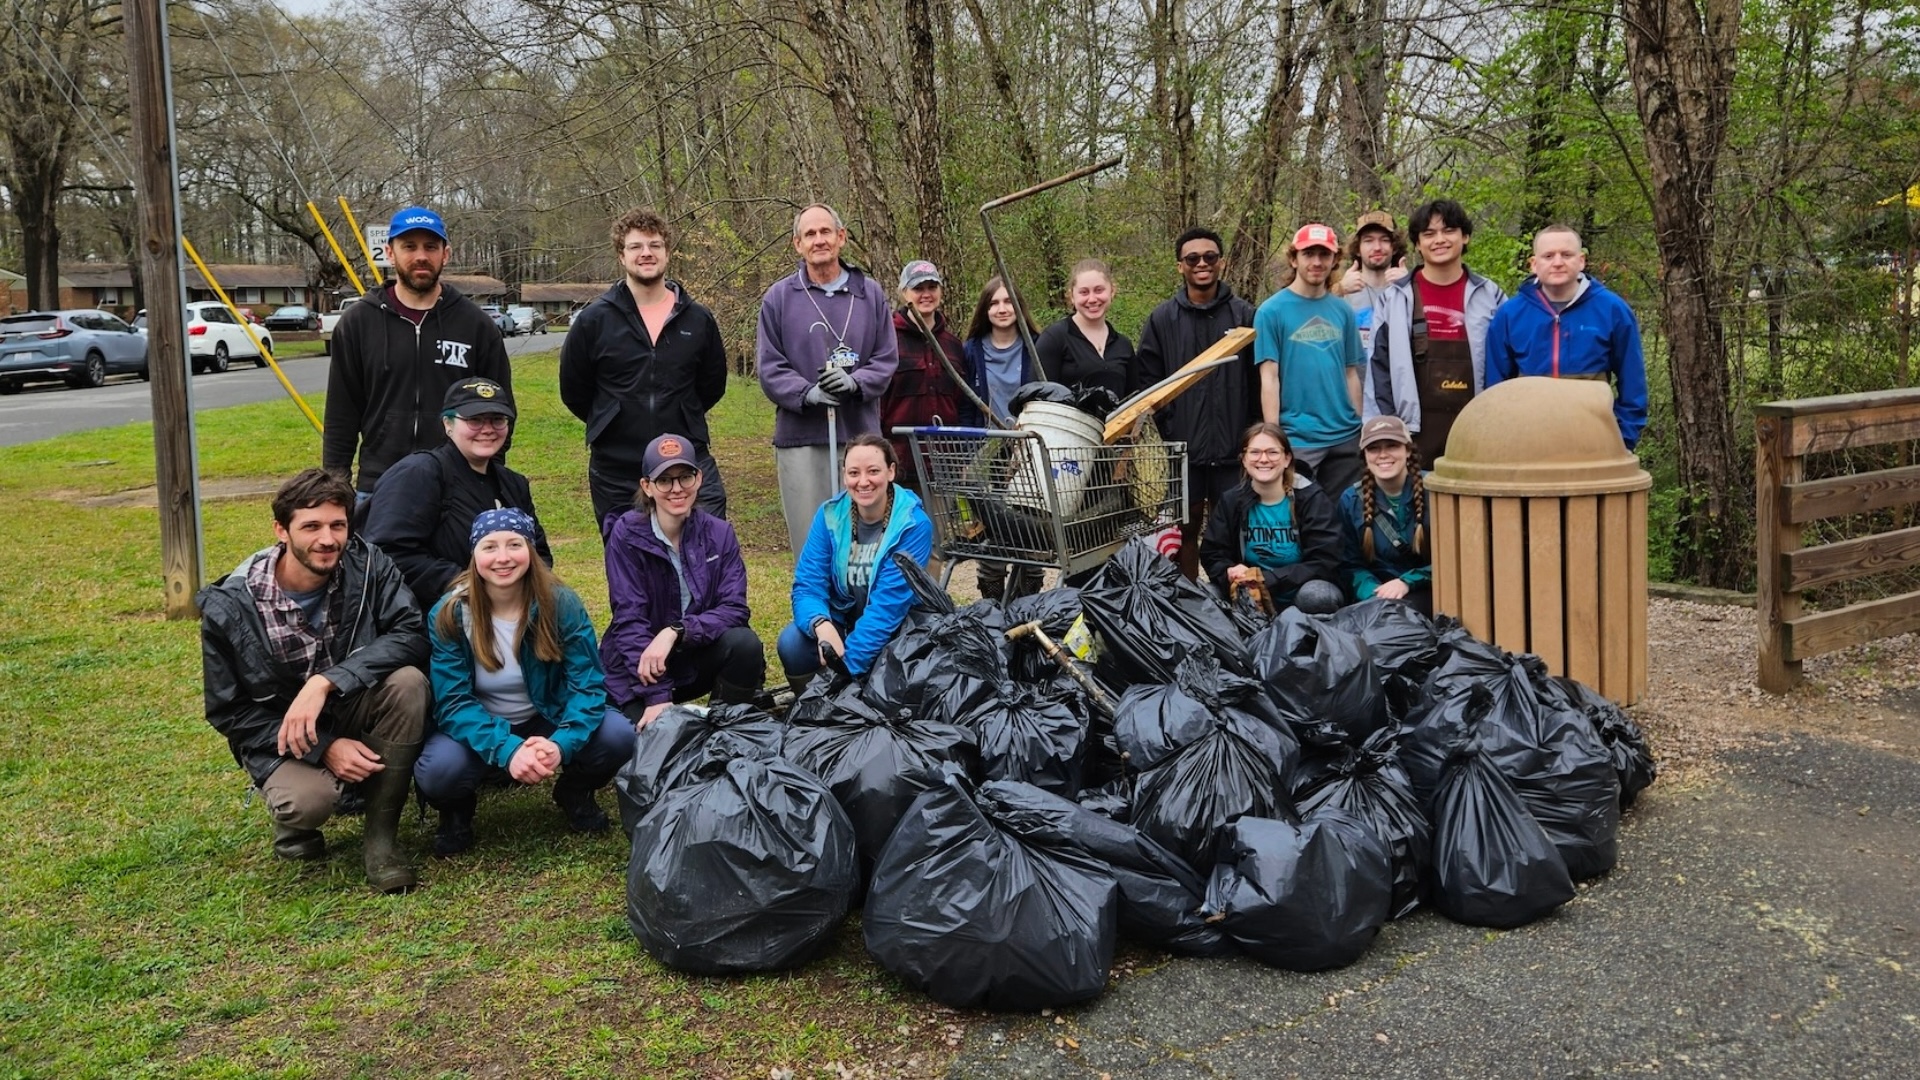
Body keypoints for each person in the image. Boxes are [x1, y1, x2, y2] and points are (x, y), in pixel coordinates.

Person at [197, 468, 429, 893]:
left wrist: (325, 682)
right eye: (311, 526)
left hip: (350, 700)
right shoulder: (231, 604)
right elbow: (229, 711)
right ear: (281, 530)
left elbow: (410, 634)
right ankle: (293, 823)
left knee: (408, 682)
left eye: (338, 525)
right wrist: (325, 748)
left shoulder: (371, 564)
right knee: (306, 803)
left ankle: (381, 841)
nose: (328, 539)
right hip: (284, 730)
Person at [417, 508, 638, 856]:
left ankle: (575, 791)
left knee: (618, 736)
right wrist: (507, 748)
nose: (502, 558)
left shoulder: (560, 603)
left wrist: (562, 743)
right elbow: (453, 702)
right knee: (439, 770)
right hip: (483, 722)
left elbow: (587, 684)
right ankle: (456, 812)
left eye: (514, 545)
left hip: (546, 714)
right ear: (474, 555)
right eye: (489, 547)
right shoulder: (450, 613)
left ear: (531, 551)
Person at [559, 207, 731, 533]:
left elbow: (712, 385)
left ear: (667, 252)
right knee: (629, 569)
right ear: (621, 256)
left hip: (686, 462)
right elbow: (575, 390)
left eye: (655, 245)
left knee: (707, 556)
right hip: (616, 468)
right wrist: (614, 418)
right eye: (636, 246)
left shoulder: (698, 319)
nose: (646, 253)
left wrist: (680, 414)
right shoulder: (594, 320)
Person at [323, 206, 512, 498]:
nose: (421, 256)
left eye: (430, 246)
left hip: (458, 486)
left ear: (445, 254)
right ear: (389, 252)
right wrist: (335, 489)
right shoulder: (359, 323)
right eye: (409, 246)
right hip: (379, 486)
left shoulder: (476, 325)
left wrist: (488, 477)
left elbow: (501, 410)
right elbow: (341, 414)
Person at [756, 203, 901, 556]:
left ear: (841, 237)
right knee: (812, 543)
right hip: (802, 438)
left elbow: (886, 357)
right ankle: (815, 611)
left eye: (825, 232)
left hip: (859, 437)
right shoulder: (779, 298)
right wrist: (807, 393)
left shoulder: (869, 294)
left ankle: (863, 610)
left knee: (865, 542)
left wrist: (857, 383)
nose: (819, 240)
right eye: (810, 234)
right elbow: (769, 366)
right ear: (797, 244)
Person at [602, 434, 766, 725]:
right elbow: (629, 619)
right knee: (646, 745)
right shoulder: (625, 536)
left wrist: (676, 631)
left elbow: (734, 609)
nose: (676, 489)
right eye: (664, 480)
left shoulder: (719, 533)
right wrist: (657, 697)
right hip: (638, 669)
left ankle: (725, 730)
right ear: (647, 487)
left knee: (744, 644)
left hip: (689, 655)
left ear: (699, 478)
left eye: (685, 477)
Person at [1131, 226, 1258, 580]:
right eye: (1193, 258)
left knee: (1232, 532)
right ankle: (1188, 604)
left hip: (1234, 449)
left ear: (1222, 263)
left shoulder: (1245, 316)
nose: (1202, 263)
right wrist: (1170, 428)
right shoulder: (1162, 319)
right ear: (1180, 266)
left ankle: (1232, 603)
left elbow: (1259, 379)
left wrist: (1252, 436)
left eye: (1210, 257)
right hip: (1182, 451)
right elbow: (1149, 385)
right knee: (1183, 532)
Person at [363, 378, 553, 610]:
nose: (487, 429)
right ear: (448, 424)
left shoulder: (513, 484)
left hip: (509, 614)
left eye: (497, 420)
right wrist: (469, 585)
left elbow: (539, 553)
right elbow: (387, 553)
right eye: (475, 420)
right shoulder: (418, 474)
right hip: (432, 619)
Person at [777, 434, 935, 689]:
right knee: (793, 643)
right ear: (844, 475)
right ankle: (808, 713)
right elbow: (807, 585)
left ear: (891, 471)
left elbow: (888, 608)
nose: (863, 482)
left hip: (898, 631)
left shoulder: (914, 525)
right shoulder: (829, 515)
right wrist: (821, 623)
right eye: (853, 473)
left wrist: (845, 671)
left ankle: (841, 699)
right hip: (844, 620)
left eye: (873, 471)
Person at [1484, 224, 1649, 450]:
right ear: (1534, 264)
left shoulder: (1612, 310)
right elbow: (1495, 387)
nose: (1558, 262)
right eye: (1549, 255)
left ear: (1581, 261)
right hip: (1528, 442)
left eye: (1567, 254)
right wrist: (1502, 438)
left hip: (1594, 441)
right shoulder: (1510, 315)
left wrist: (1624, 439)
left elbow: (1633, 382)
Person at [1368, 199, 1507, 464]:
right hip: (1413, 433)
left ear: (1465, 237)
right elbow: (1379, 371)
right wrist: (1388, 430)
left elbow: (1508, 366)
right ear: (1418, 244)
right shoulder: (1395, 299)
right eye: (1429, 234)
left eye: (1449, 231)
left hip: (1478, 430)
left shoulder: (1492, 297)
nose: (1439, 240)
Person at [1254, 223, 1367, 497]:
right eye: (1308, 254)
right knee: (1302, 518)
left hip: (1345, 436)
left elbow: (1351, 372)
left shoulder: (1342, 310)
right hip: (1299, 438)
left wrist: (1360, 424)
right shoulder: (1271, 311)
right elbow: (1269, 378)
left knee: (1346, 518)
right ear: (1294, 259)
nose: (1316, 262)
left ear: (1334, 260)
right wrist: (1274, 439)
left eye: (1324, 255)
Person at [960, 275, 1046, 603]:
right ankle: (993, 602)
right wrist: (970, 453)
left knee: (1031, 528)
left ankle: (1027, 601)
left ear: (1019, 306)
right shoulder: (971, 350)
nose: (1002, 308)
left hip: (1028, 453)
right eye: (994, 303)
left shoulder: (1037, 344)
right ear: (985, 309)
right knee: (995, 530)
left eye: (1008, 301)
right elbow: (966, 406)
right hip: (987, 454)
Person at [1199, 423, 1344, 614]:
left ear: (1287, 459)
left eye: (1272, 452)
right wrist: (1230, 571)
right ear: (1244, 459)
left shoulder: (1312, 499)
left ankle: (1313, 641)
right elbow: (1212, 553)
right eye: (1255, 452)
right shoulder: (1232, 500)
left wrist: (1269, 579)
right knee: (1205, 594)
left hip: (1298, 593)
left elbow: (1325, 561)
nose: (1264, 459)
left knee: (1318, 595)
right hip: (1249, 594)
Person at [880, 258, 968, 494]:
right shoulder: (886, 340)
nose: (926, 294)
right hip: (898, 466)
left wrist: (963, 458)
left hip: (945, 466)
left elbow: (961, 405)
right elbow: (876, 403)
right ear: (904, 293)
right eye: (918, 288)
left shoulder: (954, 346)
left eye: (932, 287)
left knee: (939, 531)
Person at [1338, 415, 1433, 617]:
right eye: (1373, 448)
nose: (1383, 455)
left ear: (1407, 450)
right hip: (1376, 596)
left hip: (1430, 591)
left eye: (1392, 446)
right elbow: (1349, 564)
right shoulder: (1351, 500)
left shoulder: (1435, 491)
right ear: (1364, 455)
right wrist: (1373, 593)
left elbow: (1454, 560)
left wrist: (1408, 581)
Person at [1035, 259, 1134, 402]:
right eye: (1084, 292)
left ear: (1112, 291)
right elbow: (1036, 398)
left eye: (1099, 290)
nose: (1092, 299)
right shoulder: (1053, 339)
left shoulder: (1123, 346)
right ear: (1072, 296)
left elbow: (1135, 402)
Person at [1332, 210, 1409, 367]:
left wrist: (1410, 289)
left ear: (1394, 247)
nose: (1377, 247)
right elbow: (1306, 315)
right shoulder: (1342, 290)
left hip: (1393, 387)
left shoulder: (1409, 287)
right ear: (1358, 249)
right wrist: (1339, 289)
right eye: (1368, 241)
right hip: (1351, 385)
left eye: (1384, 240)